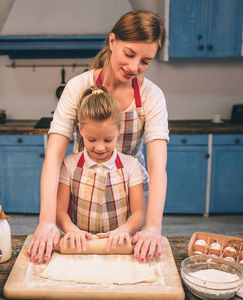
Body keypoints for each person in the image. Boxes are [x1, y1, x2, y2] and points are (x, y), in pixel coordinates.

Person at [27, 9, 169, 264]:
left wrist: (153, 227)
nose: (135, 67)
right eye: (129, 54)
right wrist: (47, 221)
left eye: (146, 61)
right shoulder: (77, 87)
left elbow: (158, 168)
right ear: (113, 42)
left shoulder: (151, 96)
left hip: (128, 190)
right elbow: (53, 157)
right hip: (82, 188)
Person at [56, 86, 146, 254]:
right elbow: (59, 210)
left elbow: (139, 213)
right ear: (81, 129)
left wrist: (124, 229)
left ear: (119, 130)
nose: (100, 147)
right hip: (80, 245)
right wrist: (70, 229)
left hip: (118, 244)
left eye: (108, 139)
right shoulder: (70, 164)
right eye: (91, 139)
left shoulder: (131, 166)